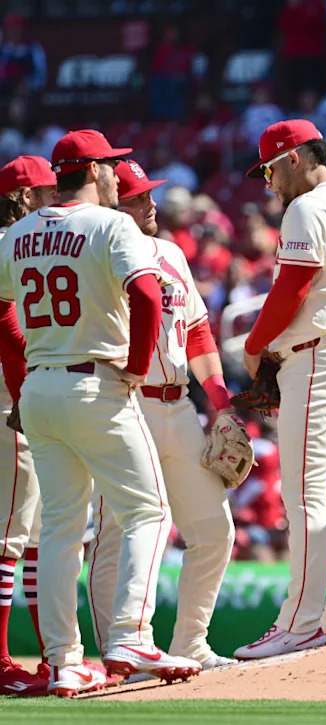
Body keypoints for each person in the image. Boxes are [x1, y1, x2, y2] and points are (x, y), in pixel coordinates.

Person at [0, 130, 203, 696]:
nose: (118, 173)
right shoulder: (114, 225)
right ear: (91, 171)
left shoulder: (20, 232)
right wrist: (138, 366)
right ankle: (130, 635)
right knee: (148, 511)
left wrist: (24, 377)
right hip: (97, 383)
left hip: (40, 387)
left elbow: (0, 313)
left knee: (63, 527)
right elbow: (146, 296)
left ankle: (64, 661)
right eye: (111, 164)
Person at [86, 160, 240, 671]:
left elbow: (197, 332)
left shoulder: (171, 253)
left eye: (150, 195)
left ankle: (191, 642)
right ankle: (118, 650)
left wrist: (221, 404)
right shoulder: (101, 252)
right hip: (128, 403)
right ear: (113, 206)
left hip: (179, 407)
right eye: (137, 198)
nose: (151, 204)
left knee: (214, 530)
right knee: (118, 530)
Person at [233, 119, 326, 658]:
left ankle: (302, 620)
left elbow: (293, 285)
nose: (268, 181)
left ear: (295, 157)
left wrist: (255, 345)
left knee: (303, 497)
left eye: (270, 168)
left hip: (318, 359)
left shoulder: (307, 206)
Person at [0, 156, 58, 695]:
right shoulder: (7, 243)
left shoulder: (28, 242)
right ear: (23, 199)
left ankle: (49, 657)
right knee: (10, 533)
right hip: (9, 397)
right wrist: (25, 393)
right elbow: (6, 326)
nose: (55, 199)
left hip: (29, 391)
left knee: (39, 533)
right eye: (47, 191)